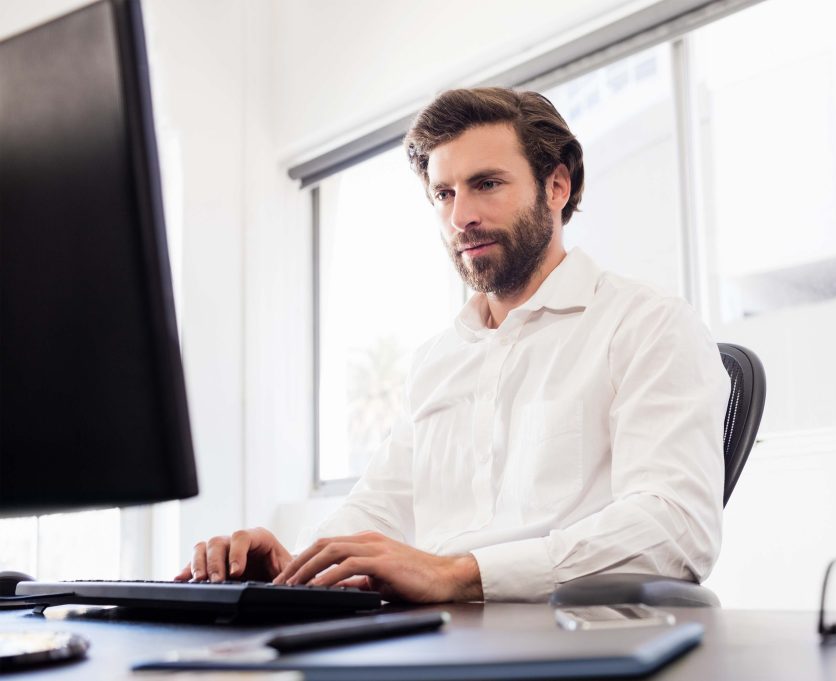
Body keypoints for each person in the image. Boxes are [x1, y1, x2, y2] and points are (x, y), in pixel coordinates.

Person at [176, 87, 730, 603]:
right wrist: (292, 574)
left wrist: (459, 574)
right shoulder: (439, 361)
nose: (461, 216)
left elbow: (675, 526)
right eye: (444, 193)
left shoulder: (647, 325)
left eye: (487, 184)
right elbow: (378, 509)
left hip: (564, 639)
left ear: (557, 187)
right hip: (432, 633)